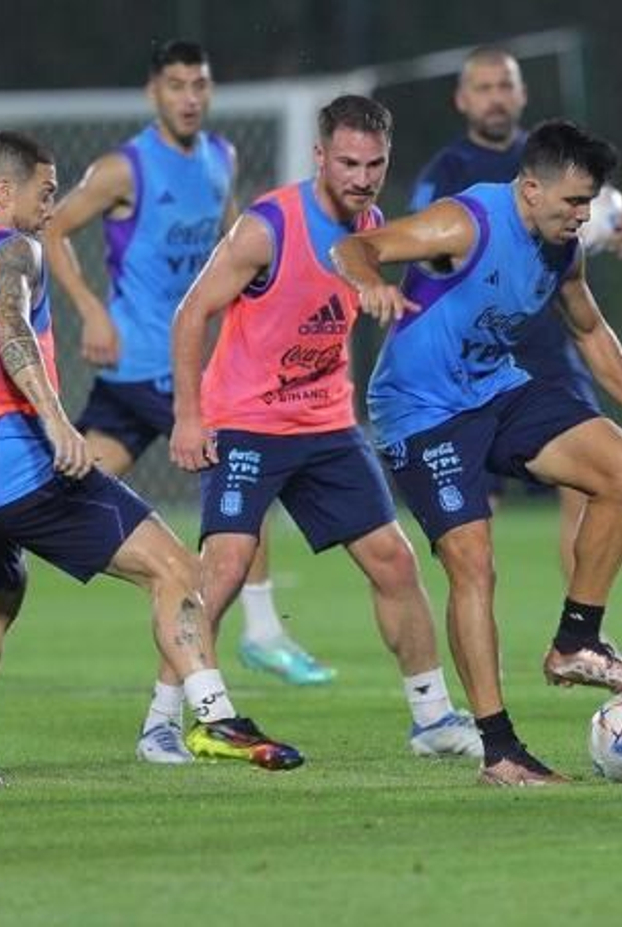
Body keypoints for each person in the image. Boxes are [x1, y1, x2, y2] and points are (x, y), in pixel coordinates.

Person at [0, 131, 301, 784]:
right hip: (15, 463)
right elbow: (9, 325)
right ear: (5, 191)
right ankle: (215, 718)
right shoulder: (13, 248)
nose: (51, 209)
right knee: (176, 568)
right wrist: (57, 423)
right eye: (45, 192)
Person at [332, 120, 622, 786]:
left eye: (589, 203)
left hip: (495, 389)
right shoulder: (463, 223)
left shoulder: (563, 250)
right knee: (473, 565)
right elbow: (356, 245)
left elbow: (590, 331)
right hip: (422, 412)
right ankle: (499, 751)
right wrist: (369, 282)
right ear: (530, 189)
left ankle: (576, 640)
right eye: (573, 202)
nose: (582, 216)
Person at [159, 95, 480, 764]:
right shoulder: (267, 227)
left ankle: (432, 718)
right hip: (247, 421)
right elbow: (191, 314)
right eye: (348, 163)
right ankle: (161, 720)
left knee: (395, 560)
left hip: (327, 424)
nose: (362, 178)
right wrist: (189, 416)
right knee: (223, 569)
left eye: (374, 164)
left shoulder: (373, 227)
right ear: (319, 156)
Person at [43, 39, 333, 686]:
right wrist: (90, 309)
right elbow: (53, 228)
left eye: (199, 84)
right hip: (151, 360)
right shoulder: (124, 168)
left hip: (169, 366)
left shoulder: (221, 157)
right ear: (154, 92)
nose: (189, 97)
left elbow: (230, 245)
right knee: (243, 459)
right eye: (176, 85)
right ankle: (263, 631)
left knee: (62, 489)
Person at [409, 46, 622, 580]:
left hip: (547, 353)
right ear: (462, 99)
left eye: (505, 86)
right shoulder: (448, 172)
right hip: (472, 363)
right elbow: (425, 258)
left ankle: (583, 620)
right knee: (475, 518)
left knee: (589, 484)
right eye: (484, 88)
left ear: (522, 94)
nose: (496, 98)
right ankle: (478, 614)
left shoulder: (552, 158)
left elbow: (606, 205)